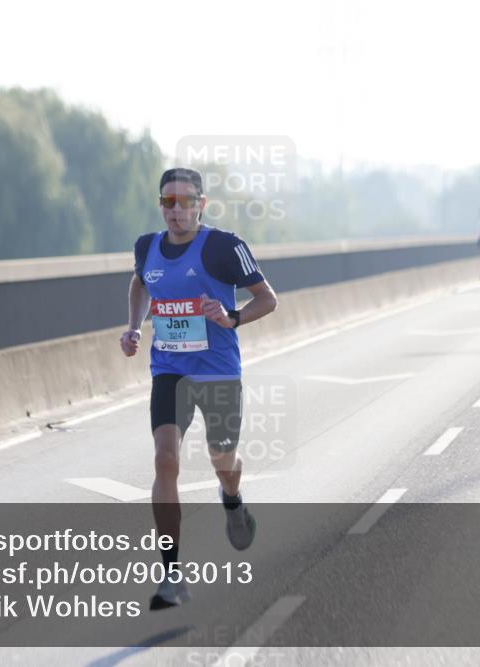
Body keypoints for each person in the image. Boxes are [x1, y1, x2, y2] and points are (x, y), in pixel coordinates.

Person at [120, 167, 278, 610]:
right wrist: (133, 327)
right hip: (169, 369)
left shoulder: (224, 246)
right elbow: (139, 281)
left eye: (185, 201)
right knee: (164, 459)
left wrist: (232, 317)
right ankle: (171, 575)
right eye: (167, 202)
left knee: (222, 456)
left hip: (218, 371)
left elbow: (268, 298)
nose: (176, 210)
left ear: (201, 204)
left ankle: (233, 498)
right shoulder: (147, 247)